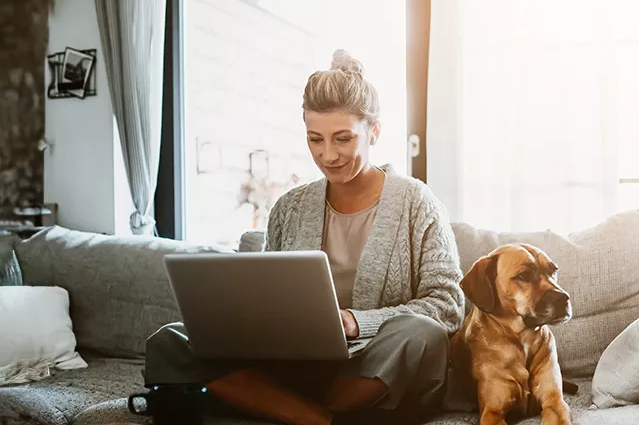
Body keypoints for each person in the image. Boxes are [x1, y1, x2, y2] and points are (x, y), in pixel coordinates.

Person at [143, 50, 465, 425]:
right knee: (170, 340)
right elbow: (266, 296)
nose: (328, 155)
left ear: (374, 132)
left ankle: (285, 410)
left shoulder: (416, 202)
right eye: (315, 139)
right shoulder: (289, 207)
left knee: (422, 334)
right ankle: (322, 420)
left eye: (343, 139)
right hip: (294, 363)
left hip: (372, 364)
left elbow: (447, 304)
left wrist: (357, 322)